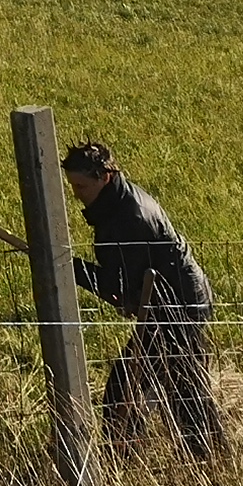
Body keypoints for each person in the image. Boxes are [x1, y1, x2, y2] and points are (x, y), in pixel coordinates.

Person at [60, 138, 221, 454]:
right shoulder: (115, 204)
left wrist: (65, 267)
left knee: (134, 389)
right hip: (169, 303)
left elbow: (116, 284)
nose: (76, 194)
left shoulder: (130, 218)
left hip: (177, 308)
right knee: (178, 387)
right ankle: (204, 454)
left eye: (80, 186)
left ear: (103, 177)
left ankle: (130, 454)